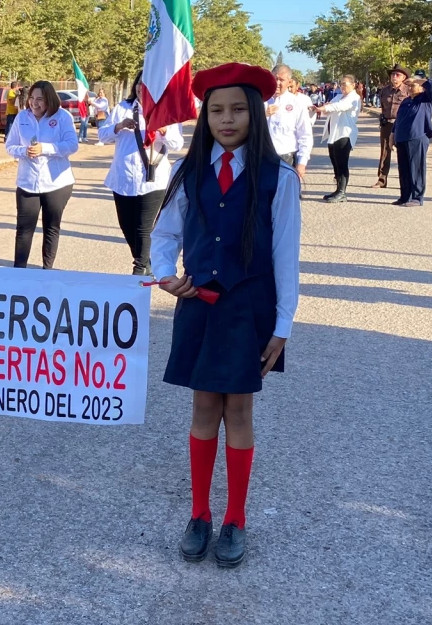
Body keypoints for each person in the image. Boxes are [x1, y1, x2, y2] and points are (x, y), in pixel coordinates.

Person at [151, 62, 301, 569]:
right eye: (216, 110)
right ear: (205, 115)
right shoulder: (187, 171)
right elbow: (165, 234)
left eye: (238, 108)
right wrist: (165, 274)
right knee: (201, 408)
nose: (227, 118)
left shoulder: (278, 177)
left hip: (248, 310)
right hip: (198, 306)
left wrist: (283, 326)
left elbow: (285, 255)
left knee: (238, 411)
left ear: (254, 113)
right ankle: (199, 513)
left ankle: (235, 517)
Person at [99, 70, 184, 276]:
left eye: (146, 84)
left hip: (153, 180)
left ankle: (139, 269)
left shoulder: (167, 110)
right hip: (123, 178)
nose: (141, 88)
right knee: (127, 226)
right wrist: (118, 126)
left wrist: (164, 130)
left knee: (144, 228)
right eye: (139, 83)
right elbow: (103, 135)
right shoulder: (122, 108)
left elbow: (177, 144)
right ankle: (146, 261)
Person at [5, 81, 79, 269]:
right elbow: (10, 145)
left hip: (56, 183)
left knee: (51, 228)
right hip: (27, 182)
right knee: (24, 229)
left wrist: (45, 148)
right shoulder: (22, 117)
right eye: (32, 98)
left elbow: (72, 145)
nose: (34, 103)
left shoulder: (63, 117)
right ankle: (19, 272)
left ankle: (47, 270)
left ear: (49, 100)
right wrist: (24, 151)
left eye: (40, 99)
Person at [390, 71, 432, 207]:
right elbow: (398, 120)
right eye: (409, 86)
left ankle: (417, 197)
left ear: (421, 87)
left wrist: (417, 80)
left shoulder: (425, 99)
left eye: (413, 86)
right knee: (404, 169)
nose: (410, 88)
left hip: (417, 137)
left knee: (416, 168)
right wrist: (392, 135)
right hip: (402, 138)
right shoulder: (406, 100)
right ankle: (405, 196)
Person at [314, 75, 361, 203]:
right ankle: (337, 189)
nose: (342, 86)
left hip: (344, 134)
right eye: (341, 84)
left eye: (345, 84)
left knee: (342, 164)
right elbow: (330, 106)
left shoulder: (354, 98)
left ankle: (342, 192)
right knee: (335, 162)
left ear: (353, 85)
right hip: (333, 134)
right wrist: (322, 108)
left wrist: (324, 108)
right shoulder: (339, 96)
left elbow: (337, 107)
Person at [265, 64, 313, 178]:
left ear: (289, 82)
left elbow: (305, 134)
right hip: (263, 158)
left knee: (286, 194)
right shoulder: (261, 100)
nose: (277, 83)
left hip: (286, 159)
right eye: (274, 79)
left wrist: (302, 163)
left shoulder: (297, 103)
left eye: (281, 80)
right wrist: (263, 115)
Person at [374, 65, 410, 189]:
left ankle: (405, 181)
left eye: (397, 74)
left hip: (402, 125)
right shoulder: (385, 90)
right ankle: (381, 180)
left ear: (404, 77)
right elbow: (383, 107)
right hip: (387, 124)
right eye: (393, 74)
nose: (394, 76)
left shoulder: (408, 90)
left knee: (403, 152)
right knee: (384, 151)